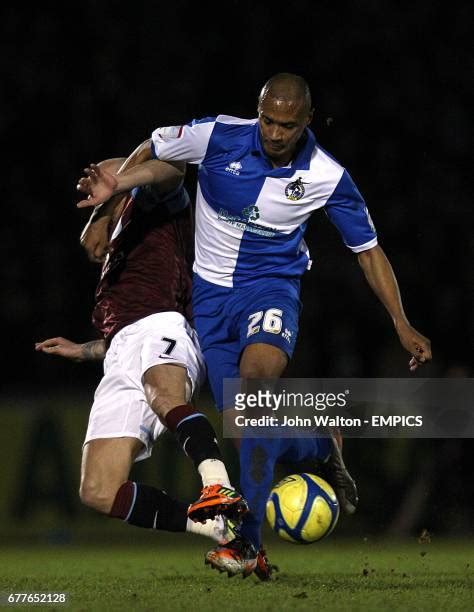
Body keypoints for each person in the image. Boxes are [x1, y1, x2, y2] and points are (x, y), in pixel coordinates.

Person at [76, 73, 432, 577]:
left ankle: (247, 547)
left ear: (307, 120)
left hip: (271, 291)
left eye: (287, 125)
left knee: (256, 393)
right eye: (267, 120)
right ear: (257, 111)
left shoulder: (328, 176)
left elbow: (368, 251)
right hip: (210, 303)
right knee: (244, 429)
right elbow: (156, 148)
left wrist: (401, 321)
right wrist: (114, 196)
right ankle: (317, 442)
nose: (274, 133)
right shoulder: (218, 135)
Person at [36, 156, 248, 548]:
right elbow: (124, 328)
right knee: (98, 489)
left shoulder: (151, 205)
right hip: (120, 353)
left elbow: (173, 166)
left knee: (163, 394)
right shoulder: (118, 245)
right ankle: (216, 528)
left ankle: (218, 487)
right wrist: (86, 350)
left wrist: (112, 192)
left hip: (164, 326)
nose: (97, 178)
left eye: (103, 175)